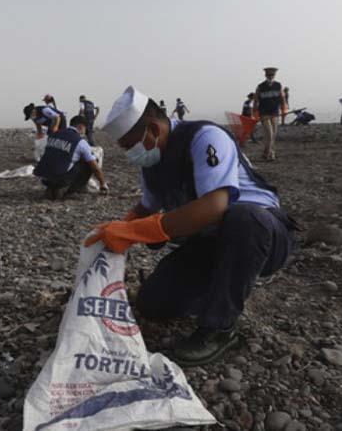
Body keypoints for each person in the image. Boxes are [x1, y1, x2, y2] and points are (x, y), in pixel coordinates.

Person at [87, 86, 297, 366]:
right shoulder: (153, 163)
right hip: (210, 243)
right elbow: (146, 209)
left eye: (129, 145)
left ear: (152, 129)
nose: (129, 154)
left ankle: (219, 328)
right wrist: (115, 230)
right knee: (153, 304)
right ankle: (222, 286)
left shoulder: (204, 138)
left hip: (262, 235)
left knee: (243, 217)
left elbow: (214, 206)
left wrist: (138, 231)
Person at [34, 115, 108, 200]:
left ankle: (52, 188)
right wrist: (103, 184)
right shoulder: (80, 142)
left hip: (44, 176)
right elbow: (95, 168)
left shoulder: (54, 134)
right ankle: (73, 191)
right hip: (60, 178)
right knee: (90, 162)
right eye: (85, 129)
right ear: (81, 127)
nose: (85, 132)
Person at [254, 67, 287, 161]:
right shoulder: (260, 86)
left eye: (272, 75)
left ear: (274, 75)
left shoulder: (278, 85)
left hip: (275, 113)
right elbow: (256, 101)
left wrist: (283, 109)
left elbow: (282, 99)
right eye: (268, 75)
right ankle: (267, 153)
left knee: (274, 134)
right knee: (269, 134)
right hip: (264, 113)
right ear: (265, 75)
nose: (270, 76)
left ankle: (271, 153)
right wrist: (255, 113)